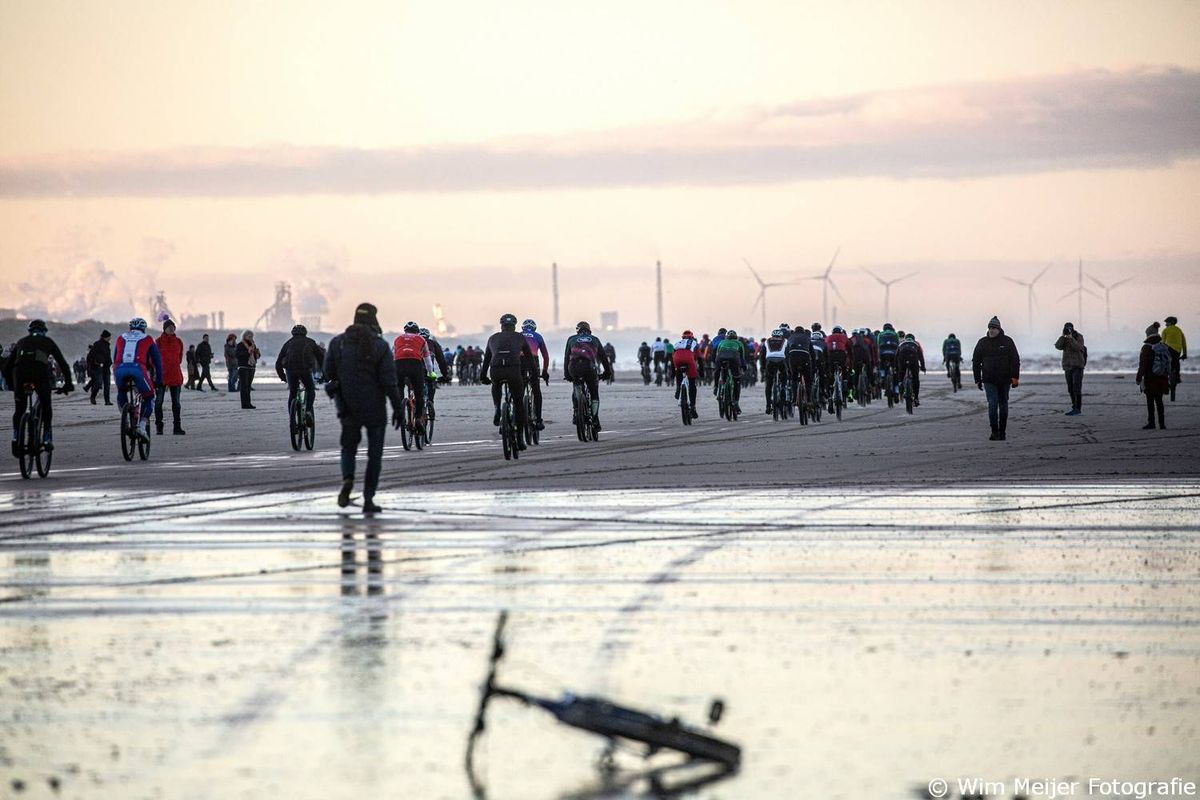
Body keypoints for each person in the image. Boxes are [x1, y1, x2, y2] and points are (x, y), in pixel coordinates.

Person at [324, 302, 401, 514]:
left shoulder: (337, 343)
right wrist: (398, 407)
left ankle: (348, 478)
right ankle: (368, 499)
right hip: (375, 407)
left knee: (348, 448)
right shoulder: (380, 345)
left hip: (347, 405)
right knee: (374, 455)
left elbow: (328, 372)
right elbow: (389, 382)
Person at [5, 320, 73, 454]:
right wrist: (68, 384)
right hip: (39, 374)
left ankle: (15, 438)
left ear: (29, 331)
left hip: (20, 374)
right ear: (44, 331)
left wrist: (11, 384)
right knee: (46, 404)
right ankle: (47, 437)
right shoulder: (48, 342)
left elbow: (7, 367)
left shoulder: (21, 342)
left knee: (19, 409)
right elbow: (63, 364)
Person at [482, 313, 533, 436]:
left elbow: (486, 360)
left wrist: (482, 376)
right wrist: (535, 374)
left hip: (496, 370)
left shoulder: (492, 338)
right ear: (514, 326)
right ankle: (520, 439)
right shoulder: (519, 337)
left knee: (496, 384)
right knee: (518, 404)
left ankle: (497, 408)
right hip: (513, 370)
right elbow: (530, 358)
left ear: (501, 326)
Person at [114, 317, 163, 442]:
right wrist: (159, 381)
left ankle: (125, 418)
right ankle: (141, 426)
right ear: (143, 328)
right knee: (149, 396)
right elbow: (158, 362)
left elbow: (115, 357)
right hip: (137, 369)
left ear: (130, 328)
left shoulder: (121, 338)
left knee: (122, 391)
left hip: (119, 369)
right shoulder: (148, 339)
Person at [972, 316, 1020, 441]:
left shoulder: (1008, 341)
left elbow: (1015, 360)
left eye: (994, 328)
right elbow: (976, 362)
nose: (991, 330)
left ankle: (1002, 431)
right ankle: (994, 431)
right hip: (988, 379)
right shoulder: (982, 342)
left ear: (999, 329)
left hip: (1005, 379)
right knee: (992, 404)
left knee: (1003, 405)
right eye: (990, 328)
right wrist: (977, 379)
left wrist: (1015, 377)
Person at [562, 321, 614, 430]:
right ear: (589, 330)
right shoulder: (595, 339)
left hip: (574, 366)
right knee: (594, 393)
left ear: (577, 331)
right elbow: (603, 358)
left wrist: (567, 374)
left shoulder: (571, 339)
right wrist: (607, 373)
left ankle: (576, 412)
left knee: (576, 386)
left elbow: (566, 357)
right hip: (590, 367)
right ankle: (595, 419)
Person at [277, 324, 322, 424]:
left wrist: (283, 377)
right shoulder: (311, 342)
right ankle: (308, 411)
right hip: (305, 370)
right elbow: (321, 358)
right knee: (310, 389)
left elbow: (278, 363)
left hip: (290, 370)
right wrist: (325, 376)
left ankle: (292, 420)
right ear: (305, 333)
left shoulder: (288, 343)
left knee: (292, 393)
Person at [392, 321, 433, 424]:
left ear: (405, 331)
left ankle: (401, 409)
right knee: (419, 392)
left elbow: (393, 355)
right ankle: (418, 418)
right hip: (415, 364)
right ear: (417, 331)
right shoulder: (422, 339)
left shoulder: (398, 339)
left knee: (399, 387)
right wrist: (430, 372)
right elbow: (427, 360)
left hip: (399, 364)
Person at [154, 318, 186, 435]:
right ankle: (159, 426)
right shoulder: (158, 342)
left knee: (176, 403)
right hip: (161, 377)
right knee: (158, 402)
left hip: (175, 376)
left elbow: (180, 359)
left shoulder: (178, 342)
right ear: (164, 329)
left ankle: (177, 427)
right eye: (169, 327)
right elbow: (153, 359)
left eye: (173, 327)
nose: (171, 329)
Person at [1136, 323, 1171, 430]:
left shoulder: (1147, 347)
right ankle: (1162, 423)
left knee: (1150, 401)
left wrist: (1138, 377)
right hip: (1162, 378)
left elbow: (1143, 364)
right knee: (1159, 401)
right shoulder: (1163, 346)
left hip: (1150, 378)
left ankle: (1151, 423)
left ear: (1148, 335)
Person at [520, 320, 550, 429]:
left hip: (519, 361)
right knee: (536, 390)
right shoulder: (538, 336)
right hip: (533, 361)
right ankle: (538, 420)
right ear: (534, 328)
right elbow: (545, 356)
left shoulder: (518, 336)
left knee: (518, 391)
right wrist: (545, 371)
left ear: (522, 328)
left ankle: (514, 416)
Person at [1054, 322, 1087, 415]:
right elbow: (1058, 346)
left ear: (1073, 328)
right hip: (1068, 366)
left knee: (1077, 387)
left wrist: (1071, 338)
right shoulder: (1064, 338)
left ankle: (1078, 408)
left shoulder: (1078, 336)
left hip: (1078, 366)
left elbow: (1078, 347)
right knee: (1070, 388)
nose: (1068, 330)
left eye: (1069, 328)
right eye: (1066, 328)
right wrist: (1063, 336)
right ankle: (1074, 405)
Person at [712, 328, 746, 411]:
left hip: (721, 358)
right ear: (736, 337)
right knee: (737, 380)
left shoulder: (722, 342)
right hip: (734, 359)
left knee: (718, 370)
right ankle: (736, 402)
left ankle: (716, 387)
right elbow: (742, 357)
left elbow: (717, 353)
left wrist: (716, 364)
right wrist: (744, 367)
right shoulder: (739, 343)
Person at [672, 330, 700, 419]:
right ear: (692, 337)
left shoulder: (677, 343)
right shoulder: (694, 343)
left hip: (677, 359)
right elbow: (699, 358)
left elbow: (673, 356)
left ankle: (678, 388)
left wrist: (673, 372)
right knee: (692, 383)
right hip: (688, 359)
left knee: (678, 371)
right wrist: (701, 372)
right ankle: (692, 406)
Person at [762, 327, 789, 413]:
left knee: (769, 384)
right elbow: (788, 354)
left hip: (770, 361)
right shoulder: (785, 341)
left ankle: (768, 405)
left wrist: (763, 368)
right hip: (781, 360)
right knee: (784, 376)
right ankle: (783, 389)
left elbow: (762, 355)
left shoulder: (766, 341)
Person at [1161, 316, 1187, 400]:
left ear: (1170, 322)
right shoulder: (1179, 330)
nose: (1165, 324)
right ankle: (1178, 377)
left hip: (1168, 349)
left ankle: (1164, 375)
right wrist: (1185, 353)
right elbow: (1184, 342)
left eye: (1166, 322)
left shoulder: (1165, 330)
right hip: (1178, 350)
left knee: (1164, 360)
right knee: (1176, 362)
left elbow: (1162, 342)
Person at [896, 333, 926, 406]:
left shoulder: (901, 344)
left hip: (902, 360)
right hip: (913, 361)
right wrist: (923, 367)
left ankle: (900, 383)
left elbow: (896, 356)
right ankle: (916, 398)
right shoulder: (916, 344)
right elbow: (921, 357)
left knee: (901, 373)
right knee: (915, 379)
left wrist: (896, 367)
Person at [86, 330, 114, 405]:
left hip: (106, 367)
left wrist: (110, 363)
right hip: (98, 367)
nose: (110, 338)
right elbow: (90, 356)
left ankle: (107, 401)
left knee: (107, 385)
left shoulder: (107, 345)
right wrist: (90, 367)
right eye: (109, 337)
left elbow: (107, 356)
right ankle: (93, 396)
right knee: (98, 383)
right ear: (105, 337)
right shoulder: (97, 344)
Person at [235, 331, 260, 409]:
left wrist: (257, 353)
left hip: (251, 367)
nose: (251, 338)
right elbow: (238, 355)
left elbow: (256, 356)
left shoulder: (253, 345)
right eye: (249, 336)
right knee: (244, 386)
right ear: (244, 336)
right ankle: (244, 404)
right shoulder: (240, 345)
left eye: (252, 336)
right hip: (243, 367)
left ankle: (248, 403)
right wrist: (247, 352)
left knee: (248, 386)